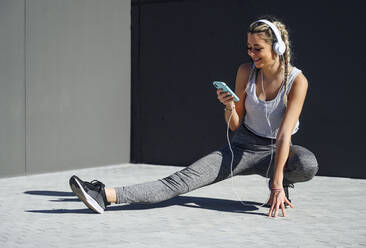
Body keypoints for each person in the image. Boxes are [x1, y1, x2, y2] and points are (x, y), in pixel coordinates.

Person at [69, 16, 318, 218]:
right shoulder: (246, 71)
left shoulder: (297, 81)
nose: (252, 53)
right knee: (180, 181)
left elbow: (285, 134)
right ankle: (104, 194)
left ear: (277, 47)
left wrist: (275, 185)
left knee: (307, 164)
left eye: (258, 48)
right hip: (243, 145)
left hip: (277, 150)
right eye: (249, 48)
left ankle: (282, 184)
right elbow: (234, 125)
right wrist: (229, 106)